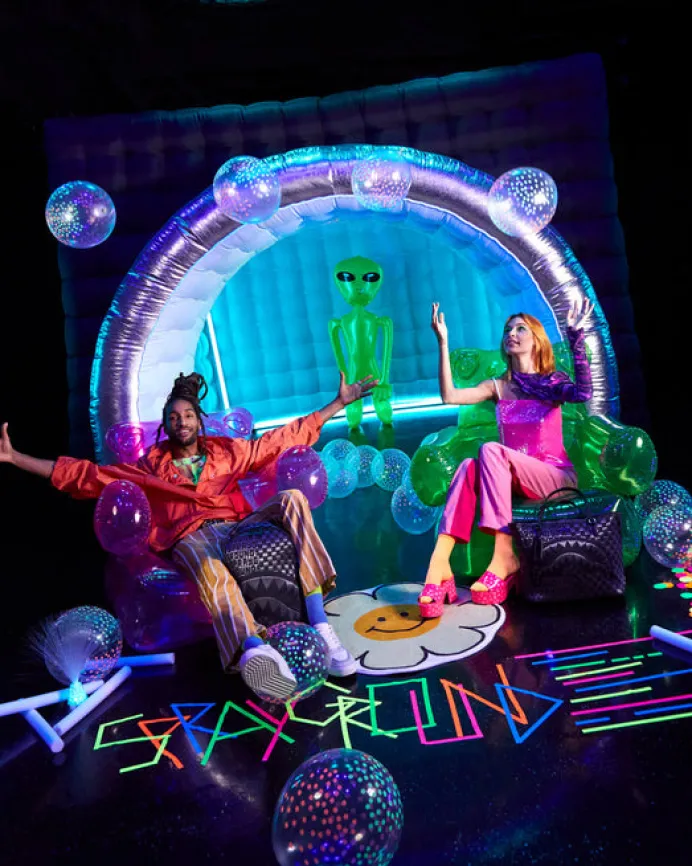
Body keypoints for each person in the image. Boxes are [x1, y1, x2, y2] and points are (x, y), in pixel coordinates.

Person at [0, 370, 377, 701]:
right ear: (165, 425)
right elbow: (87, 476)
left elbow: (280, 439)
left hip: (237, 526)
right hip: (190, 535)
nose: (181, 422)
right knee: (210, 567)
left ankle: (320, 624)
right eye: (173, 417)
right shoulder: (150, 466)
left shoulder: (227, 452)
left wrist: (337, 404)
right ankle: (254, 648)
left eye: (187, 415)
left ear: (199, 420)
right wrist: (16, 458)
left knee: (293, 498)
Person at [418, 299, 593, 615]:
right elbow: (449, 396)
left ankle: (503, 556)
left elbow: (583, 394)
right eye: (507, 330)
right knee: (468, 466)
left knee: (490, 450)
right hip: (513, 480)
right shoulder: (498, 386)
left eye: (520, 329)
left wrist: (576, 338)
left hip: (555, 478)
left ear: (536, 340)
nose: (511, 333)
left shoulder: (552, 382)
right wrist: (443, 343)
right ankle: (439, 562)